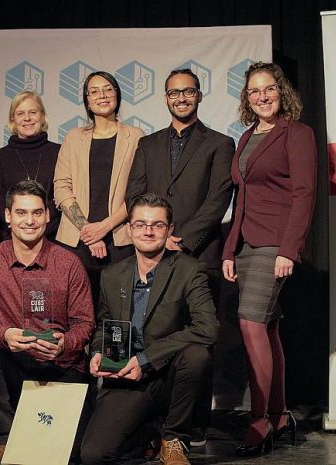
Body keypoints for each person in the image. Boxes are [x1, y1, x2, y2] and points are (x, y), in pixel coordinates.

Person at [125, 68, 235, 445]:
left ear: (199, 96)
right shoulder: (148, 144)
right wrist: (154, 236)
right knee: (156, 333)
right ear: (166, 98)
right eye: (174, 92)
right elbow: (134, 194)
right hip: (152, 254)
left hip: (198, 254)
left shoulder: (220, 143)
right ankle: (154, 422)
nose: (181, 98)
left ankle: (194, 426)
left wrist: (180, 239)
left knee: (198, 345)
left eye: (188, 91)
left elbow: (219, 198)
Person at [0, 180, 94, 463]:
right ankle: (5, 437)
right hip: (14, 365)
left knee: (67, 454)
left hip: (59, 368)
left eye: (36, 213)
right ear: (8, 216)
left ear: (47, 215)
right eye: (21, 213)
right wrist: (5, 333)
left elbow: (85, 323)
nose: (29, 221)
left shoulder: (69, 263)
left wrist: (64, 344)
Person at [81, 193, 219, 465]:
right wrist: (98, 352)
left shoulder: (190, 270)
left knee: (196, 356)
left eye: (157, 225)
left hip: (170, 375)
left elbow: (208, 328)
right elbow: (103, 326)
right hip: (126, 375)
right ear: (130, 229)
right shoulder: (111, 275)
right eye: (141, 224)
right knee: (93, 455)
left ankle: (173, 439)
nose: (148, 231)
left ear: (169, 230)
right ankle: (150, 430)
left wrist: (146, 359)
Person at [222, 62, 316, 456]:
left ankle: (260, 417)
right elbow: (241, 198)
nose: (262, 96)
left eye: (269, 89)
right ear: (247, 97)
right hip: (245, 244)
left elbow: (305, 193)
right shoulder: (245, 138)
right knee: (269, 327)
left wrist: (288, 250)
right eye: (254, 90)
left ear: (282, 93)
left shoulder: (297, 133)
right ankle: (278, 416)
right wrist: (229, 249)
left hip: (273, 245)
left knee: (250, 323)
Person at [54, 71, 143, 304]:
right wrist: (90, 233)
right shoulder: (73, 137)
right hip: (76, 241)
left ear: (117, 95)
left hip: (120, 239)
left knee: (119, 311)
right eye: (94, 91)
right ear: (87, 100)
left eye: (108, 89)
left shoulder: (135, 137)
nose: (102, 95)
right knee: (76, 312)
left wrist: (104, 227)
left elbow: (138, 192)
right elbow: (61, 187)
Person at [0, 91, 60, 244]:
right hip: (8, 240)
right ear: (13, 119)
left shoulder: (60, 153)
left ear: (42, 116)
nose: (27, 118)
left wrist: (39, 226)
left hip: (52, 239)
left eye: (33, 112)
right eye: (20, 113)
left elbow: (62, 196)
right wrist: (22, 229)